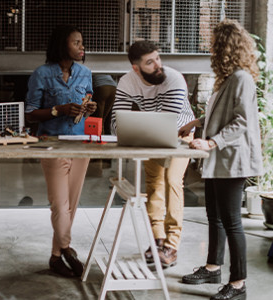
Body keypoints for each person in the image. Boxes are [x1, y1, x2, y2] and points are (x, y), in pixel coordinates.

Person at [179, 19, 262, 300]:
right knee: (213, 216)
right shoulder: (228, 78)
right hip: (219, 159)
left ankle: (238, 284)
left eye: (214, 44)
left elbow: (242, 122)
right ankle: (213, 267)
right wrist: (195, 123)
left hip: (232, 159)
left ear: (227, 46)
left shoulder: (242, 78)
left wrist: (212, 141)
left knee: (232, 221)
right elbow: (221, 113)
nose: (210, 48)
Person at [110, 40, 194, 267]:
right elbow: (116, 120)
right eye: (150, 62)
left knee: (172, 180)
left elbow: (169, 122)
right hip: (152, 135)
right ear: (136, 68)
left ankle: (172, 245)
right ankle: (158, 241)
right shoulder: (128, 81)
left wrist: (136, 131)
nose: (158, 65)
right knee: (154, 184)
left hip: (181, 135)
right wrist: (125, 133)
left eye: (157, 58)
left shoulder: (174, 78)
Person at [25, 25, 96, 277]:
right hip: (51, 143)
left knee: (72, 204)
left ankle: (55, 257)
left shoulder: (86, 73)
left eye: (82, 42)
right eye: (76, 42)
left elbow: (86, 101)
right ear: (62, 45)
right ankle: (66, 248)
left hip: (80, 143)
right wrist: (60, 109)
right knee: (59, 203)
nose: (82, 47)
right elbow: (30, 113)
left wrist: (87, 108)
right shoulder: (41, 74)